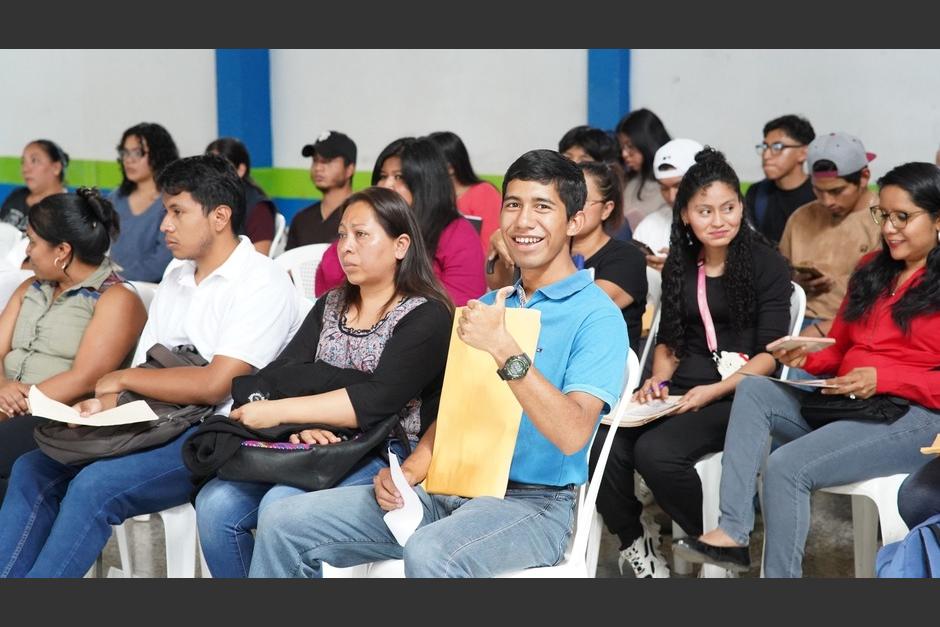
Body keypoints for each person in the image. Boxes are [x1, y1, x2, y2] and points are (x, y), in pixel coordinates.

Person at [248, 149, 628, 578]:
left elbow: (573, 434)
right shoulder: (486, 306)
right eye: (513, 205)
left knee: (432, 552)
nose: (523, 221)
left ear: (574, 222)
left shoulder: (596, 315)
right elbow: (453, 411)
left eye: (543, 207)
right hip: (448, 485)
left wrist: (506, 350)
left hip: (533, 504)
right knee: (283, 522)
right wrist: (410, 471)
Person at [0, 154, 300, 577]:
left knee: (94, 487)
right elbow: (149, 362)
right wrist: (104, 406)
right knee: (34, 466)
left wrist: (121, 379)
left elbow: (217, 384)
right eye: (165, 211)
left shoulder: (261, 282)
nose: (165, 225)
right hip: (154, 417)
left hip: (213, 433)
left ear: (220, 216)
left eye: (177, 212)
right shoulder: (178, 274)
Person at [673, 161, 940, 578]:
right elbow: (842, 350)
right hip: (851, 403)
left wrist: (884, 378)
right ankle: (732, 533)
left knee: (786, 465)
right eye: (883, 215)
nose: (890, 228)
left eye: (903, 217)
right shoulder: (873, 269)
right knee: (756, 389)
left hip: (915, 417)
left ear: (938, 220)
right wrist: (805, 358)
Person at [194, 186, 454, 578]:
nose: (346, 248)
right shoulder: (331, 304)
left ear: (401, 245)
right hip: (314, 444)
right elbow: (279, 375)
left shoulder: (426, 317)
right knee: (214, 505)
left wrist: (288, 406)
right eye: (342, 235)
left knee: (279, 506)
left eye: (361, 235)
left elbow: (376, 400)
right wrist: (307, 422)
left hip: (384, 453)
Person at [590, 147, 792, 578]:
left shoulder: (766, 263)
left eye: (728, 208)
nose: (718, 221)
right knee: (602, 448)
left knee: (656, 452)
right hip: (682, 391)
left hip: (740, 395)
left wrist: (713, 391)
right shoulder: (683, 263)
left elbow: (771, 356)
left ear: (741, 207)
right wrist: (658, 381)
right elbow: (669, 340)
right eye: (704, 211)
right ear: (685, 216)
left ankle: (718, 539)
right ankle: (635, 537)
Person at [0, 188, 146, 502]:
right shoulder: (31, 287)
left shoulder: (115, 299)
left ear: (62, 251)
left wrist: (10, 405)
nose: (28, 251)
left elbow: (84, 378)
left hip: (59, 418)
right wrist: (2, 387)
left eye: (33, 242)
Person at [315, 137, 485, 306]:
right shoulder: (368, 227)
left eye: (399, 177)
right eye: (383, 176)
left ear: (427, 183)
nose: (387, 185)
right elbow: (329, 282)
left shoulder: (458, 233)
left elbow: (460, 306)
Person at [779, 132, 881, 337]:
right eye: (818, 191)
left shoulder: (885, 220)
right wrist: (798, 281)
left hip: (852, 327)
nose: (827, 201)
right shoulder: (801, 217)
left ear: (864, 177)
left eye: (837, 191)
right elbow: (779, 278)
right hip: (794, 321)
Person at [633, 138, 704, 308]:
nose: (672, 197)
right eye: (664, 188)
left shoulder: (722, 223)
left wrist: (682, 268)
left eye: (678, 185)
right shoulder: (649, 226)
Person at [108, 122, 180, 282]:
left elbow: (162, 261)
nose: (128, 160)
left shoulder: (174, 201)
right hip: (110, 288)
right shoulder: (115, 198)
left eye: (137, 153)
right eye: (125, 153)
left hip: (153, 291)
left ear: (159, 155)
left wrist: (115, 281)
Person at [744, 115, 817, 244]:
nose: (766, 155)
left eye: (777, 147)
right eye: (765, 147)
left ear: (803, 153)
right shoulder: (757, 194)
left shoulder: (820, 194)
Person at [428, 131, 501, 251]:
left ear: (450, 168)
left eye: (430, 163)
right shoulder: (430, 197)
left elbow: (490, 248)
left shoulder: (484, 192)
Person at [206, 137, 278, 256]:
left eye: (220, 167)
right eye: (208, 167)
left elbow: (260, 258)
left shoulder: (259, 208)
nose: (212, 174)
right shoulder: (205, 201)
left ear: (241, 170)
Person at [285, 131, 356, 250]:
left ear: (349, 169)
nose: (318, 168)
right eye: (315, 160)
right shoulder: (301, 219)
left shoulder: (363, 215)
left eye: (327, 161)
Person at [614, 108, 672, 235]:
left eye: (630, 146)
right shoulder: (627, 181)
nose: (624, 154)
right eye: (622, 147)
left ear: (647, 142)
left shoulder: (671, 182)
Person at [1, 140, 69, 233]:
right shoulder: (17, 195)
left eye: (34, 160)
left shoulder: (68, 209)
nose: (25, 169)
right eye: (23, 162)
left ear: (56, 168)